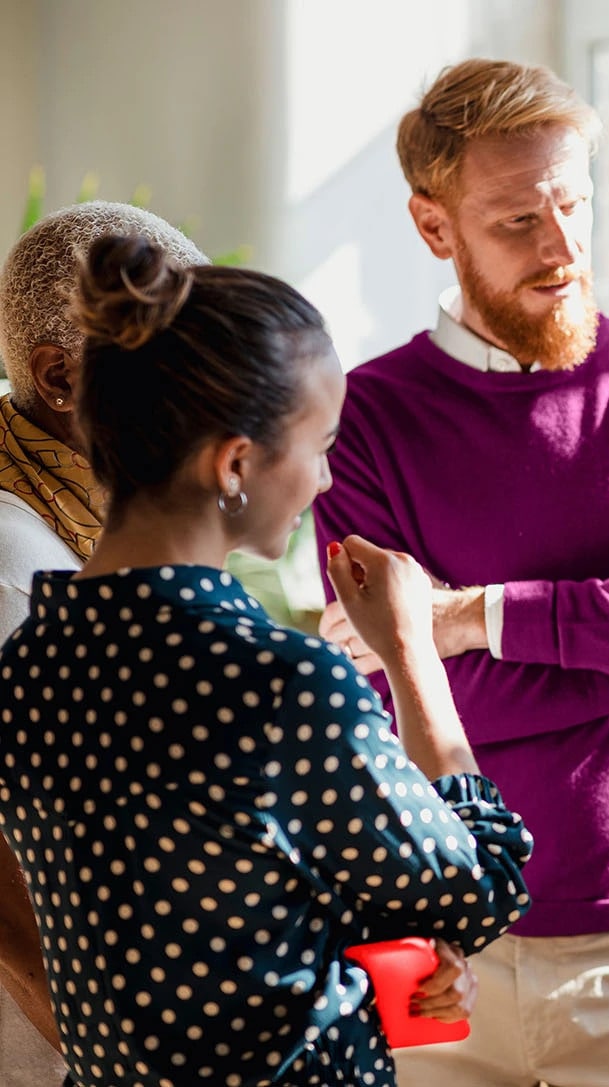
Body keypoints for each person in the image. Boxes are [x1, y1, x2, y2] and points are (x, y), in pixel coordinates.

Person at [312, 58, 609, 1087]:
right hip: (436, 958)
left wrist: (466, 618)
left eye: (574, 203)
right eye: (518, 221)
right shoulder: (363, 420)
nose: (562, 246)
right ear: (435, 228)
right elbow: (394, 694)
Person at [0, 234, 535, 1086]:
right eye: (319, 444)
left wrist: (366, 959)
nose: (325, 480)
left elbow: (200, 903)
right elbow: (480, 886)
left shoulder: (27, 666)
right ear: (237, 463)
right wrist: (409, 652)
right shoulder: (279, 685)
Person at [0, 201, 209, 1085]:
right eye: (180, 363)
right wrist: (109, 1046)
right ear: (59, 379)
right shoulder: (20, 571)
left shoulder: (99, 520)